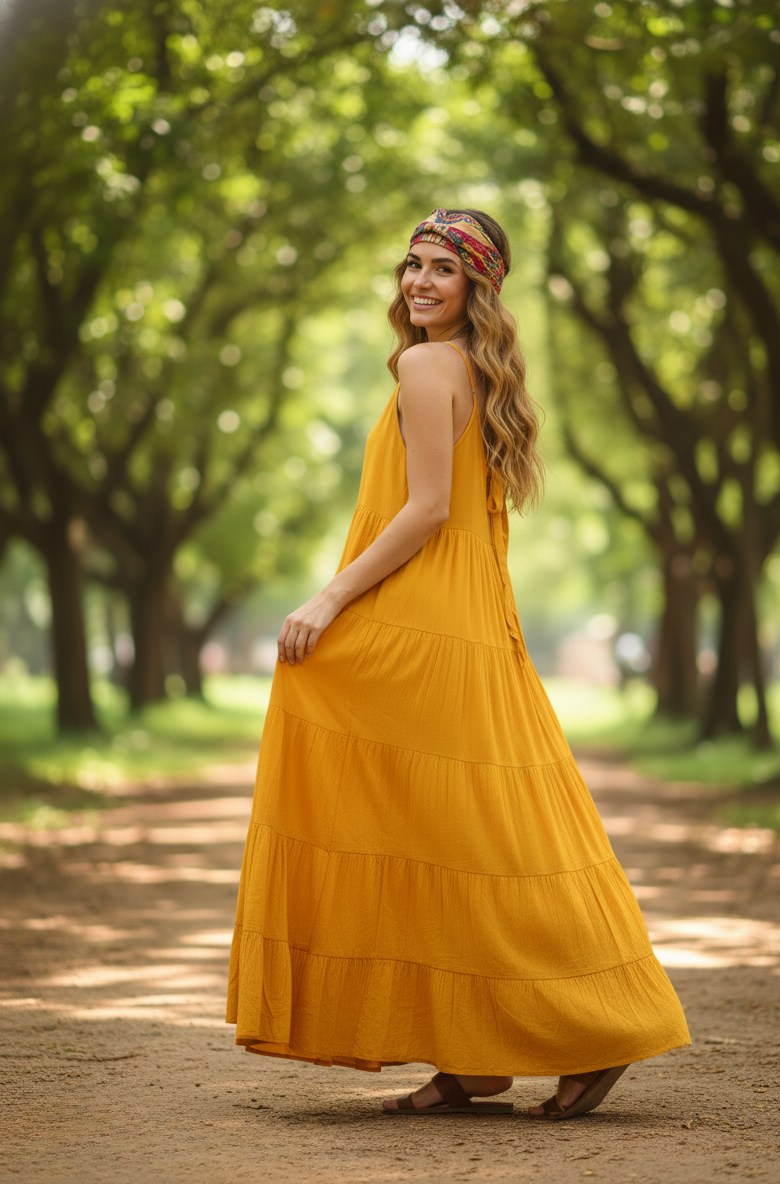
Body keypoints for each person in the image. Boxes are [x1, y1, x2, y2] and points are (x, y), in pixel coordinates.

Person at [226, 208, 690, 1119]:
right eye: (412, 266)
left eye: (443, 269)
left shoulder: (427, 364)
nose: (419, 283)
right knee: (456, 836)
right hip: (468, 622)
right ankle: (471, 1055)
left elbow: (427, 509)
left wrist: (327, 598)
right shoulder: (469, 369)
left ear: (479, 285)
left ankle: (592, 1030)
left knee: (448, 829)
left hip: (428, 624)